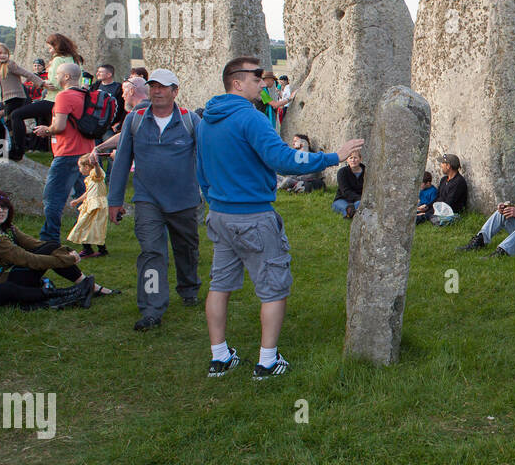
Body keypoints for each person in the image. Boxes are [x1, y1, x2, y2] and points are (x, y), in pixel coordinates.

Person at [196, 56, 363, 379]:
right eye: (257, 78)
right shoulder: (252, 119)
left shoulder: (207, 121)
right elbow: (283, 159)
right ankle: (267, 362)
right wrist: (334, 156)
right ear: (237, 82)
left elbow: (201, 171)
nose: (263, 83)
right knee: (274, 286)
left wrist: (215, 201)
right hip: (253, 215)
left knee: (221, 284)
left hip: (219, 214)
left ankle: (220, 357)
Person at [107, 68, 204, 332]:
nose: (157, 91)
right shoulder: (136, 119)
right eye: (153, 87)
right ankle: (152, 308)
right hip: (147, 199)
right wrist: (114, 200)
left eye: (163, 87)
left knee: (186, 249)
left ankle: (188, 287)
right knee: (151, 252)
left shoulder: (190, 120)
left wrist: (212, 193)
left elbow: (206, 158)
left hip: (184, 199)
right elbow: (123, 158)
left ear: (175, 91)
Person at [0, 191, 108, 302]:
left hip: (3, 275)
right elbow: (26, 259)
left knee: (50, 245)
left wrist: (67, 250)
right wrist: (66, 260)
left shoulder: (6, 227)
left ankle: (88, 285)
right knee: (48, 252)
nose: (1, 211)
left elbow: (34, 244)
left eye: (4, 208)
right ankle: (88, 286)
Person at [34, 63, 95, 245]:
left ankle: (49, 238)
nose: (55, 78)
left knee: (53, 197)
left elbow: (59, 126)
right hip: (87, 152)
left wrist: (46, 129)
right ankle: (88, 237)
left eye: (58, 74)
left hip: (68, 153)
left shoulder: (64, 96)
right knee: (83, 196)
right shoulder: (87, 95)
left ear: (67, 77)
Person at [7, 33, 82, 161]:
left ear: (56, 46)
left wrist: (44, 84)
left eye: (50, 47)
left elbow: (54, 83)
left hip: (53, 99)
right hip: (68, 99)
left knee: (16, 115)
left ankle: (18, 151)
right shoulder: (75, 59)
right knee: (54, 131)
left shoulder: (58, 59)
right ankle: (57, 156)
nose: (49, 50)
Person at [0, 42, 44, 159]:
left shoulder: (9, 65)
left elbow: (26, 73)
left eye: (5, 53)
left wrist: (41, 82)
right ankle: (16, 148)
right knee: (10, 123)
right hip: (7, 99)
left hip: (15, 97)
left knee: (12, 122)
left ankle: (17, 150)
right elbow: (3, 83)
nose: (2, 55)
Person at [67, 154, 109, 257]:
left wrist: (96, 166)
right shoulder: (89, 179)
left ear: (86, 167)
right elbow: (88, 192)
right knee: (85, 225)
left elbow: (99, 174)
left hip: (97, 206)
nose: (79, 169)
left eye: (80, 167)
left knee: (94, 226)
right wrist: (77, 200)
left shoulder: (96, 174)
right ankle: (89, 248)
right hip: (89, 205)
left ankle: (98, 249)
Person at [418, 154, 468, 224]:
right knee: (416, 212)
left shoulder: (459, 182)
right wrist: (427, 206)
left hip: (449, 212)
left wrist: (427, 214)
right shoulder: (444, 180)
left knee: (417, 217)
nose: (441, 165)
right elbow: (438, 198)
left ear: (448, 166)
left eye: (443, 163)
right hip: (439, 209)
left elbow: (448, 204)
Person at [334, 150, 366, 219]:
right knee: (345, 207)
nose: (353, 160)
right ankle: (350, 214)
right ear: (347, 160)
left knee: (360, 204)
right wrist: (360, 198)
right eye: (350, 158)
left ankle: (354, 212)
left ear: (360, 159)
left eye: (355, 158)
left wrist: (361, 199)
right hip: (343, 199)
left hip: (359, 200)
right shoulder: (342, 172)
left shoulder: (366, 172)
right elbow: (345, 191)